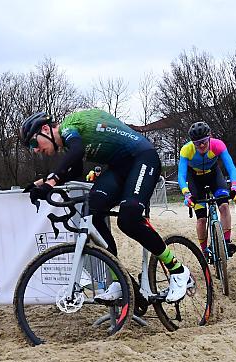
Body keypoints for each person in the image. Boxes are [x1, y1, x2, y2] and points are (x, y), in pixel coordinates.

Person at [19, 109, 190, 303]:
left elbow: (77, 152)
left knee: (128, 219)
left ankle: (178, 270)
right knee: (93, 211)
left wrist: (52, 180)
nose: (35, 149)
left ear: (45, 129)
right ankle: (119, 279)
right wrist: (40, 184)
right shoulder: (69, 144)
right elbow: (73, 170)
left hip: (143, 157)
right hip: (119, 166)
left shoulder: (68, 128)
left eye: (34, 143)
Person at [178, 121, 236, 257]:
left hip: (214, 176)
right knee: (201, 219)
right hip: (195, 180)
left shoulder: (218, 145)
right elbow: (181, 176)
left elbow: (231, 167)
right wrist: (186, 194)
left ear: (210, 137)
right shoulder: (186, 150)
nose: (201, 145)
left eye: (204, 141)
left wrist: (235, 187)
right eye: (197, 143)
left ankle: (227, 241)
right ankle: (204, 250)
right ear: (192, 142)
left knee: (224, 206)